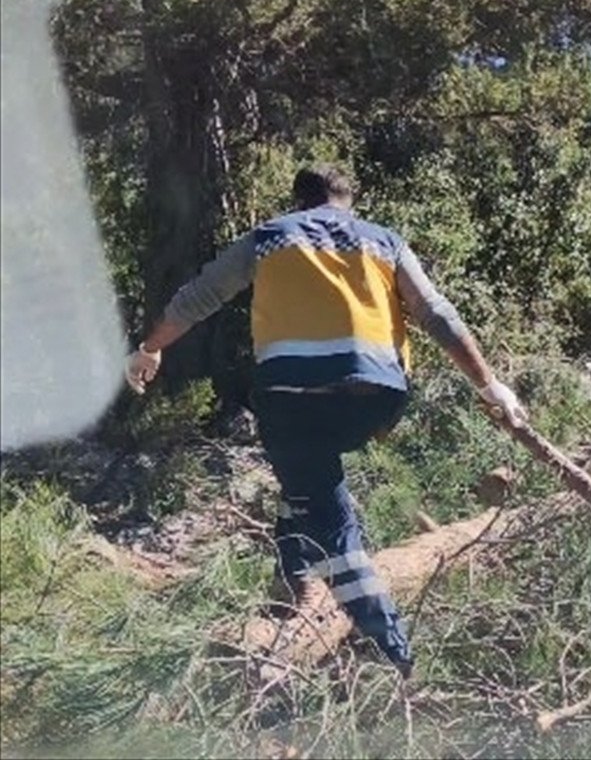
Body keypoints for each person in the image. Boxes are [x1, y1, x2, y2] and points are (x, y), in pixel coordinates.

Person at [124, 165, 528, 677]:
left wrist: (149, 349)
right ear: (348, 202)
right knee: (308, 484)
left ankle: (393, 654)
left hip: (291, 397)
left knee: (332, 523)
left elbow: (199, 296)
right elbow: (436, 314)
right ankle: (294, 581)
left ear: (298, 202)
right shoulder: (385, 242)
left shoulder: (270, 237)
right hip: (376, 398)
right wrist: (491, 386)